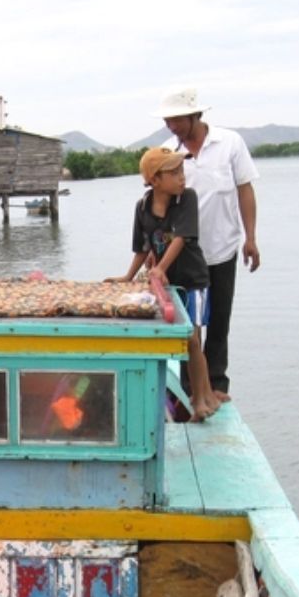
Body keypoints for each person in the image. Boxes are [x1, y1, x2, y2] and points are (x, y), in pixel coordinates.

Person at [156, 87, 260, 402]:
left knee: (218, 320)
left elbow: (245, 189)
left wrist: (250, 238)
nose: (171, 127)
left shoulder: (230, 143)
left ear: (194, 116)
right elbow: (158, 202)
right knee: (189, 324)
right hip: (182, 254)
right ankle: (190, 389)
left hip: (222, 249)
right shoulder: (167, 151)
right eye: (167, 121)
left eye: (176, 120)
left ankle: (217, 385)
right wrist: (156, 257)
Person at [117, 147, 217, 422]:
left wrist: (160, 267)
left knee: (193, 340)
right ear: (155, 179)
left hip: (193, 279)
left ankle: (200, 399)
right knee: (186, 340)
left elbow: (181, 238)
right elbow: (142, 247)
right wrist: (128, 276)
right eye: (173, 173)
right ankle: (204, 397)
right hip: (168, 285)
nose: (181, 178)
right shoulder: (142, 208)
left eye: (181, 171)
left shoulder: (186, 199)